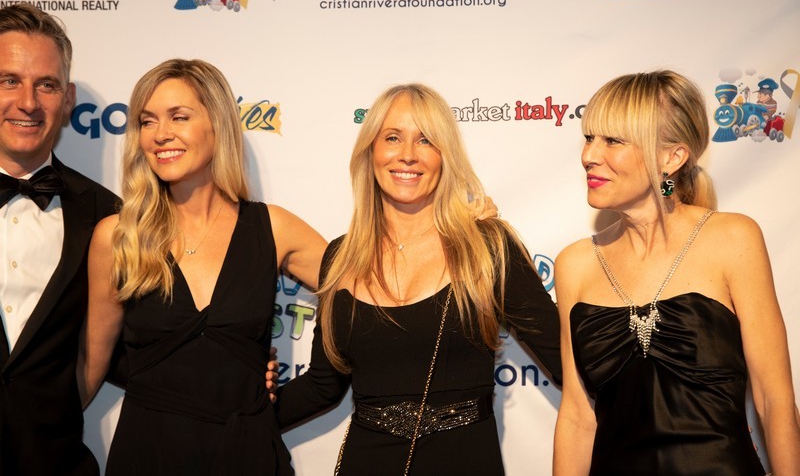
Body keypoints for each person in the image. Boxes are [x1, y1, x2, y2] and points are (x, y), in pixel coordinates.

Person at [275, 83, 562, 475]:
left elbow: (568, 364)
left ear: (445, 156)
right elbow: (323, 386)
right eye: (392, 137)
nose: (407, 154)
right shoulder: (341, 257)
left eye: (426, 140)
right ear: (370, 152)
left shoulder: (487, 247)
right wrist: (232, 420)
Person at [82, 58, 327, 475]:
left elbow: (361, 291)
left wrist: (315, 386)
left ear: (218, 123)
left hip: (246, 455)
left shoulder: (273, 228)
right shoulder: (119, 236)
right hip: (149, 455)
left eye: (179, 117)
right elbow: (92, 364)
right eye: (147, 121)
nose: (160, 134)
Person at [553, 70, 800, 475]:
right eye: (589, 137)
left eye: (613, 140)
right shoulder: (575, 263)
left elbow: (774, 401)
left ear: (672, 157)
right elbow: (578, 417)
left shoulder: (733, 238)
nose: (589, 155)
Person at [0, 3, 118, 475]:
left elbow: (153, 338)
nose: (28, 102)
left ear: (67, 100)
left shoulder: (108, 216)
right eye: (9, 80)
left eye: (46, 84)